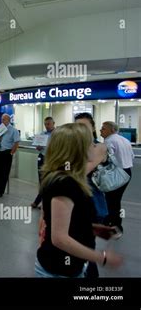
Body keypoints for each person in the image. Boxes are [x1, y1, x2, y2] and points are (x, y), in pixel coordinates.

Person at [35, 123, 123, 278]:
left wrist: (95, 229)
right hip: (59, 269)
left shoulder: (70, 179)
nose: (95, 146)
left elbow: (71, 221)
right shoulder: (64, 184)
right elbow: (60, 238)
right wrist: (101, 258)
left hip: (71, 266)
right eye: (91, 143)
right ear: (78, 149)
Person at [75, 112, 109, 278]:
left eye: (84, 126)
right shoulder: (74, 147)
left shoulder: (98, 147)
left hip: (92, 206)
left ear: (93, 128)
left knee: (85, 247)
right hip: (73, 205)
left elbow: (80, 173)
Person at [100, 121, 134, 238]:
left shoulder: (109, 141)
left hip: (116, 173)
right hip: (127, 172)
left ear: (112, 130)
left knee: (112, 201)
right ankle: (110, 222)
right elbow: (132, 156)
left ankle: (114, 225)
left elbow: (106, 159)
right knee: (114, 200)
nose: (100, 131)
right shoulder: (125, 140)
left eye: (103, 129)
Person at [31, 117, 55, 209]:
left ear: (53, 123)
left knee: (50, 181)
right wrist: (38, 147)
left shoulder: (57, 134)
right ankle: (40, 200)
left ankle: (43, 202)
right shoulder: (42, 134)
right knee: (42, 180)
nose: (47, 126)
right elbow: (37, 145)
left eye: (49, 124)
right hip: (42, 157)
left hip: (52, 159)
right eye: (45, 124)